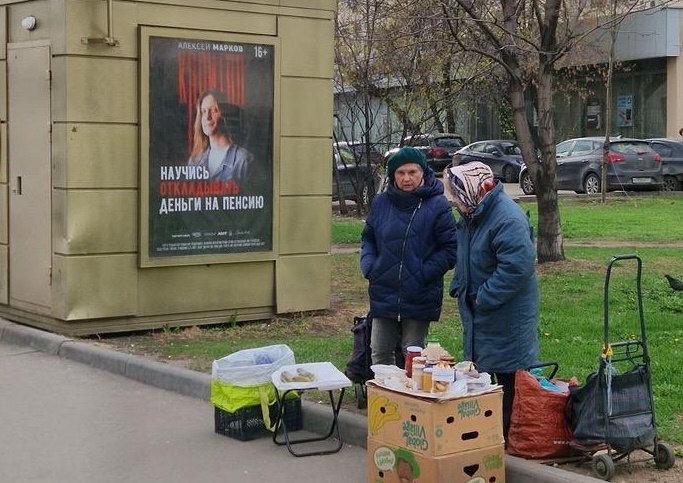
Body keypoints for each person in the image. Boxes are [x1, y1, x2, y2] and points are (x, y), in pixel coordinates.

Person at [444, 161, 539, 442]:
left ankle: (506, 442)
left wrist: (482, 297)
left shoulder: (506, 218)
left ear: (470, 190)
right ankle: (489, 436)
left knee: (508, 380)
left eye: (455, 195)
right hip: (484, 312)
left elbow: (516, 268)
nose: (452, 202)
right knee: (485, 378)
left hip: (506, 314)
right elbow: (468, 260)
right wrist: (459, 286)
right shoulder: (476, 214)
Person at [360, 147, 458, 366]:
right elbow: (368, 238)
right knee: (379, 351)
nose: (406, 178)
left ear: (422, 172)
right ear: (392, 175)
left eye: (412, 172)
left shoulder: (437, 205)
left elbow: (450, 250)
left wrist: (423, 273)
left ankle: (410, 398)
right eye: (400, 173)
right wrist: (369, 266)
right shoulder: (381, 203)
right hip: (383, 290)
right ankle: (382, 399)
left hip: (419, 293)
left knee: (413, 355)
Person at [187, 89, 254, 187]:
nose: (207, 117)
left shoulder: (243, 161)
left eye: (214, 110)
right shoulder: (195, 161)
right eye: (203, 111)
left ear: (224, 115)